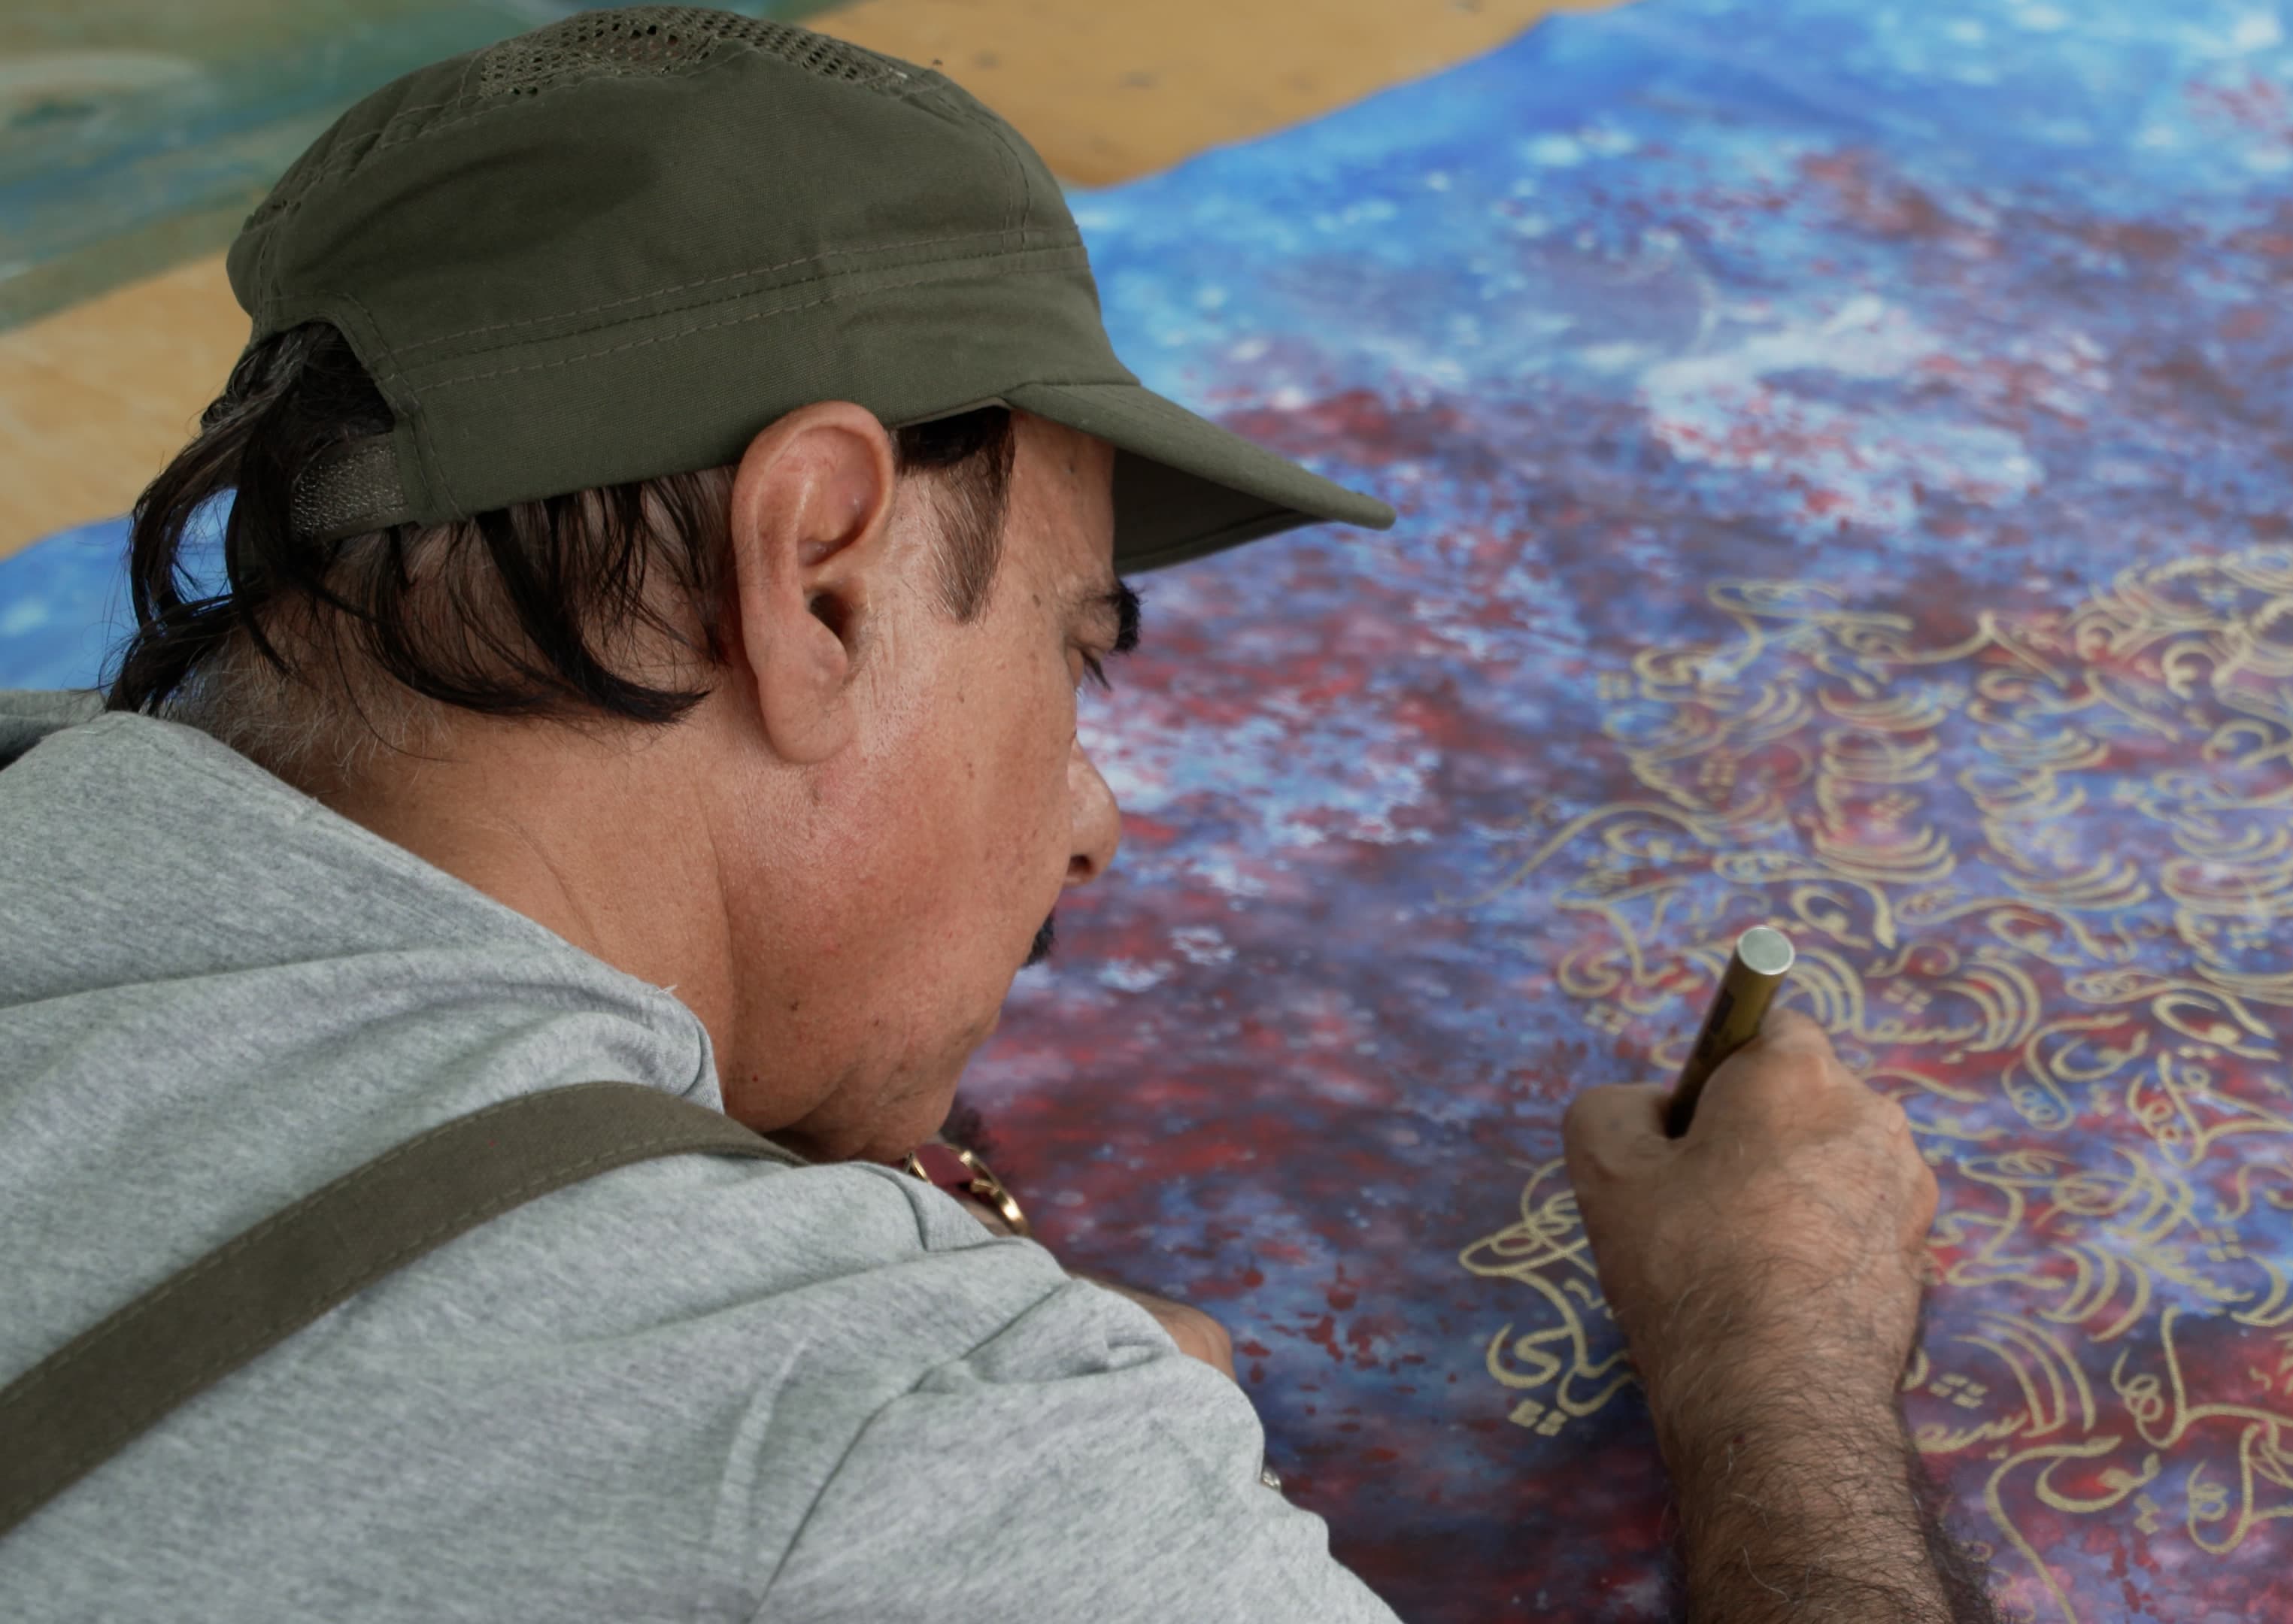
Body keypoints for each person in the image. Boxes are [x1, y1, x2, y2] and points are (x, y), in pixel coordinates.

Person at [0, 8, 1990, 1619]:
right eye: (1077, 651)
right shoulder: (908, 1449)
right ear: (820, 575)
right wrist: (1775, 1362)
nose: (1096, 815)